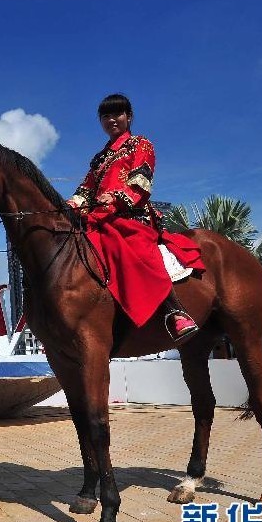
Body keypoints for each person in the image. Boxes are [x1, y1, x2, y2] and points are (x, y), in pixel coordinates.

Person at [66, 93, 199, 339]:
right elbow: (85, 189)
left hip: (130, 214)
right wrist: (71, 204)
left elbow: (141, 181)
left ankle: (175, 311)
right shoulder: (99, 158)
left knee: (136, 248)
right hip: (99, 216)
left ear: (129, 116)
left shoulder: (140, 144)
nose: (111, 120)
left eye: (117, 114)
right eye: (105, 116)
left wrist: (116, 197)